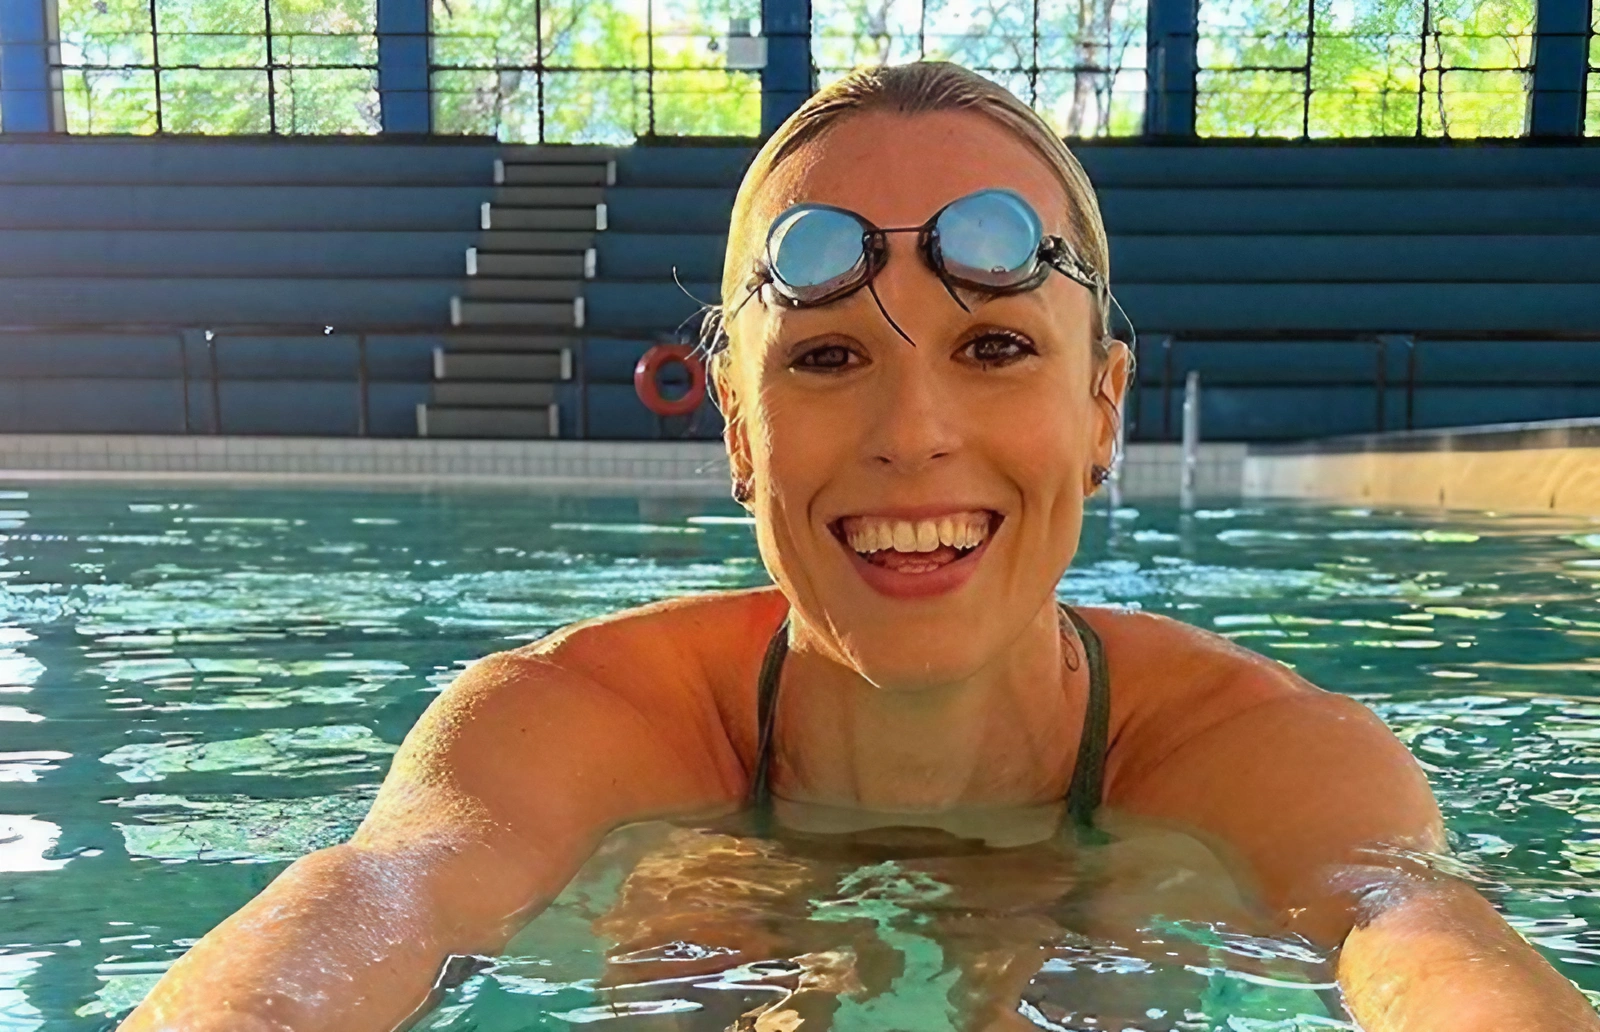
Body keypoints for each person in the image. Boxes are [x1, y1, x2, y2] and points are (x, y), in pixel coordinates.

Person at [119, 62, 1597, 1032]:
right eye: (825, 361)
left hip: (1106, 893)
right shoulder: (572, 727)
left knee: (1105, 966)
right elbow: (373, 906)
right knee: (690, 939)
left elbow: (1417, 938)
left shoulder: (1264, 757)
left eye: (998, 346)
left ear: (1104, 408)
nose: (914, 433)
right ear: (741, 435)